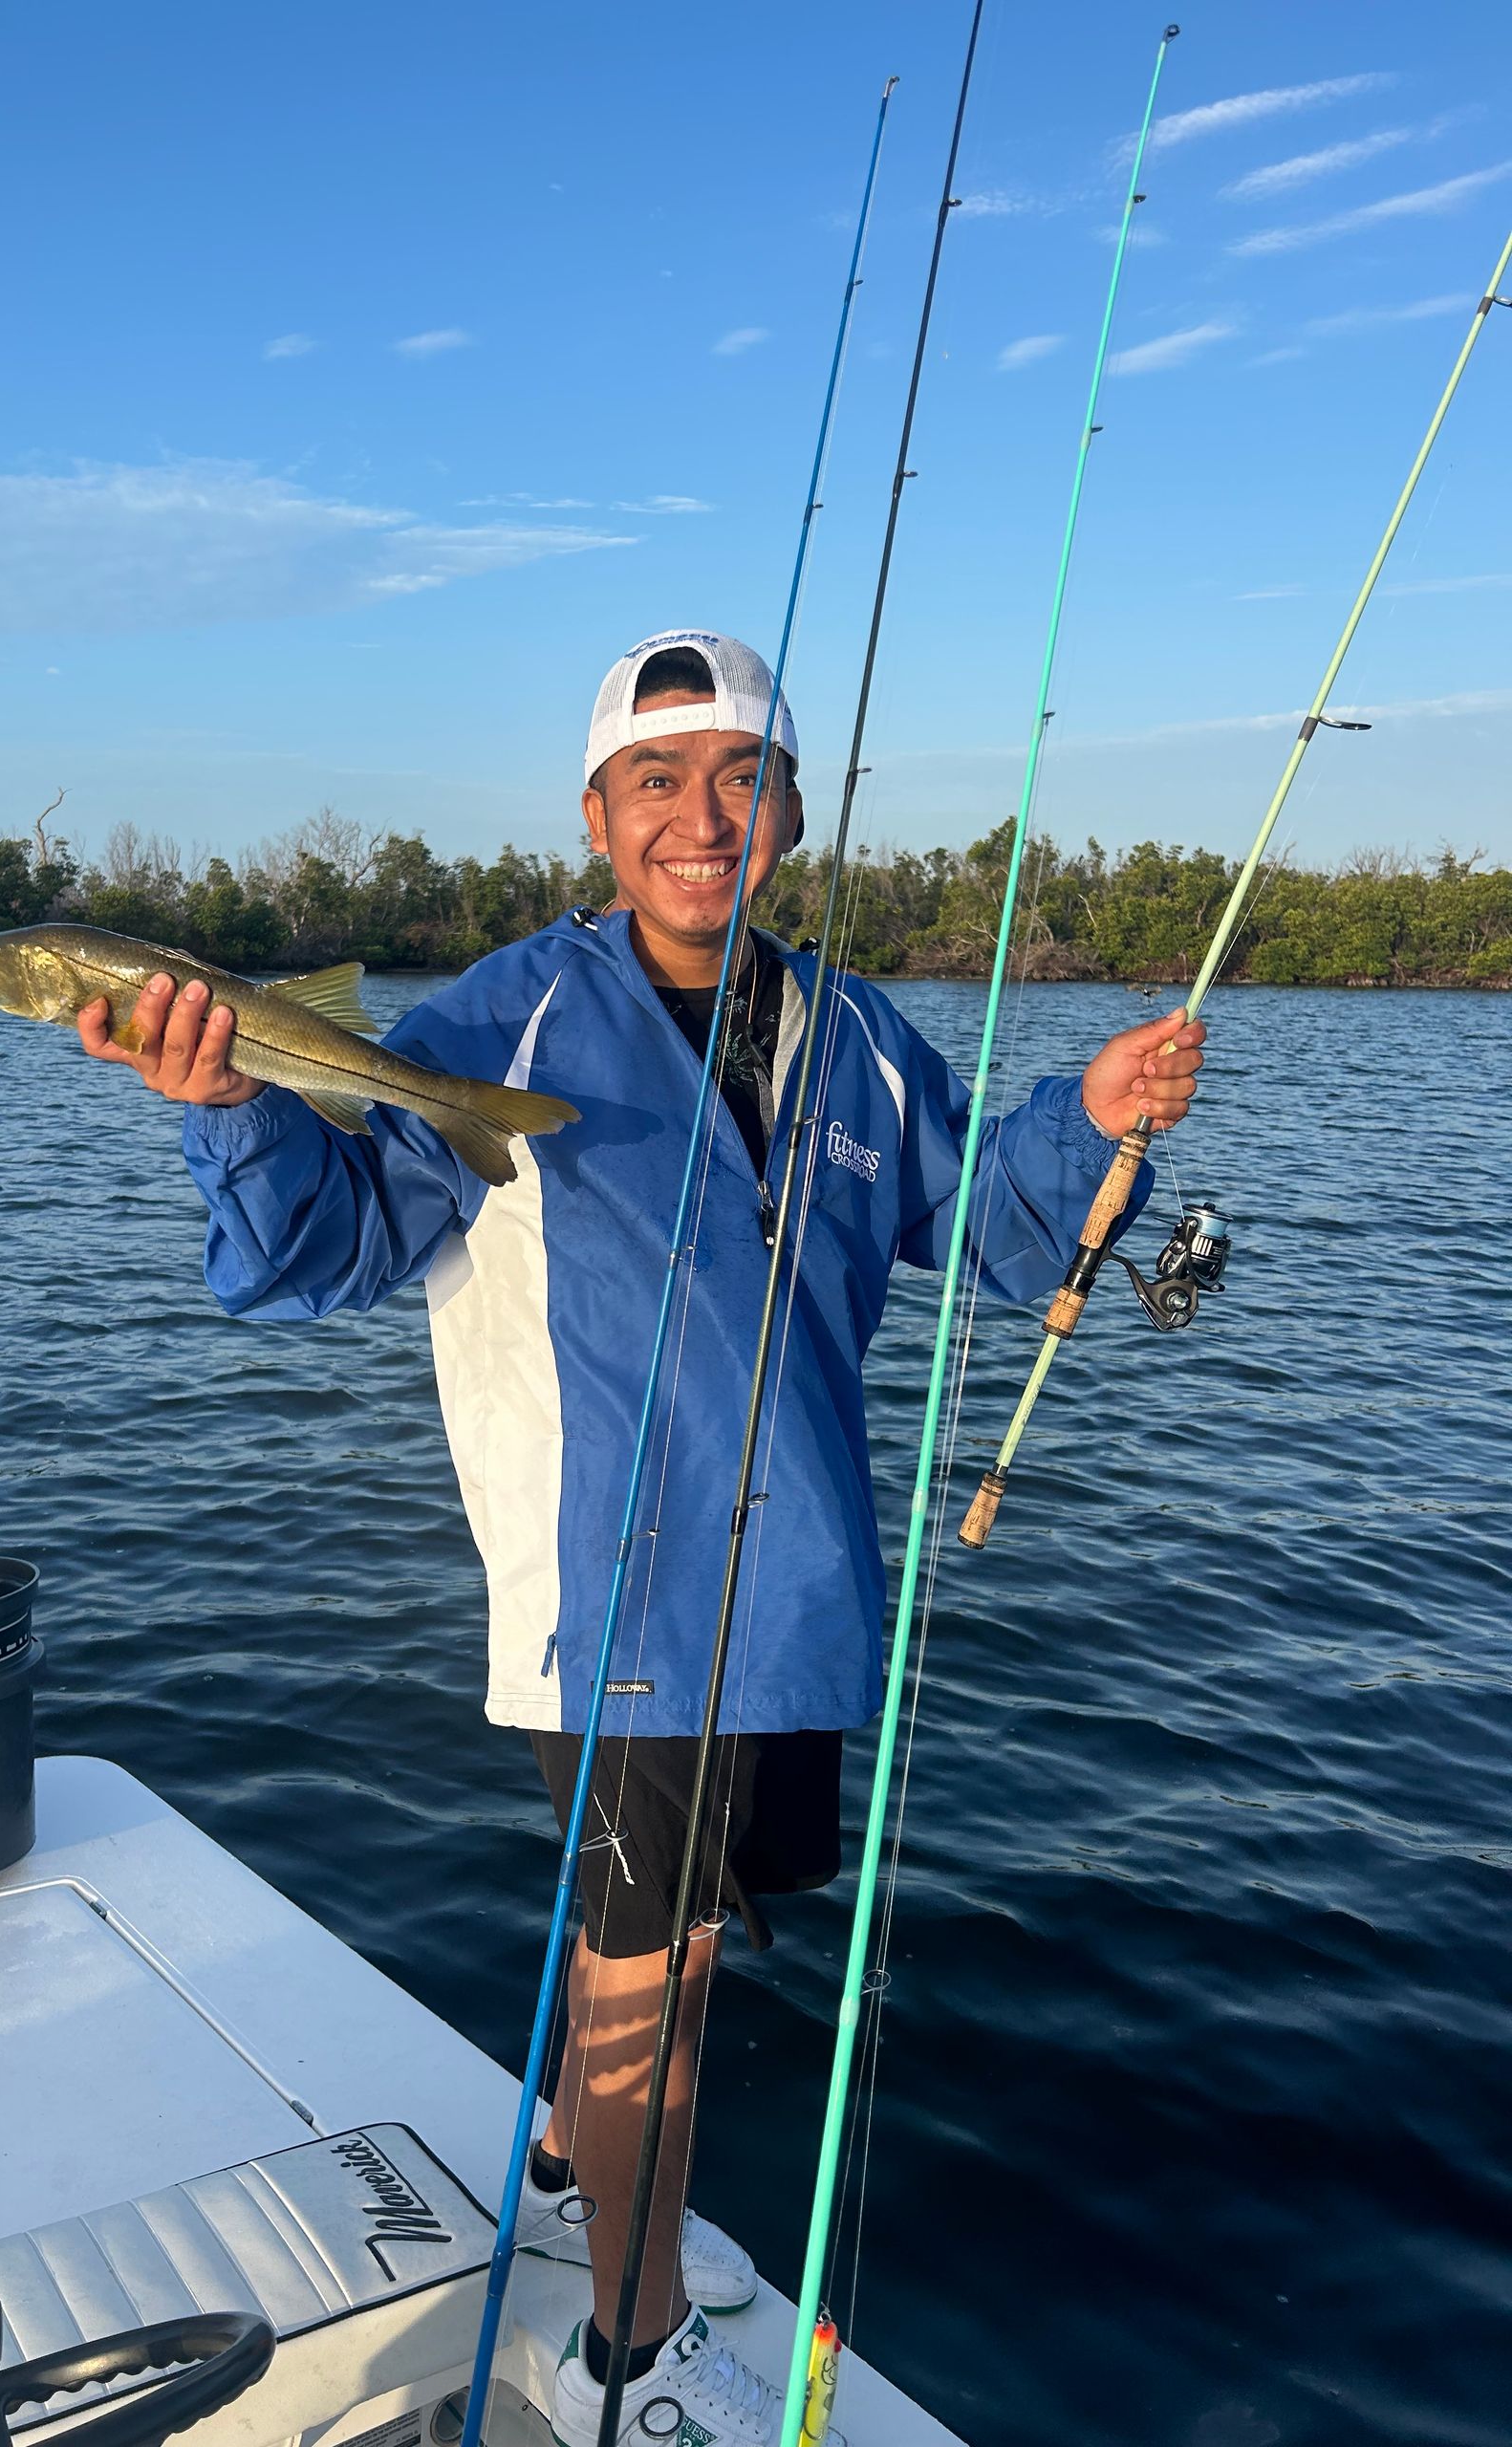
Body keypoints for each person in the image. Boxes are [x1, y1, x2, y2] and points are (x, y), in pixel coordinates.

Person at [78, 629, 1206, 2446]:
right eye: (657, 781)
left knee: (680, 1943)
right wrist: (235, 1111)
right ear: (597, 818)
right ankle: (633, 2351)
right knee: (651, 1979)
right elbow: (320, 1249)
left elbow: (994, 1233)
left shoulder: (857, 1037)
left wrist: (1084, 1117)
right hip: (610, 1601)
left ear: (793, 815)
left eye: (743, 777)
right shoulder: (492, 1024)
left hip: (798, 1591)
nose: (703, 817)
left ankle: (559, 2183)